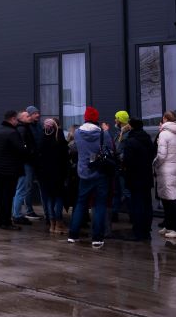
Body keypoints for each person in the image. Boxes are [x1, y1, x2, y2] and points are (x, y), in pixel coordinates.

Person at [67, 106, 114, 248]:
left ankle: (73, 235)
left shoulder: (78, 134)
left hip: (84, 173)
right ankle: (97, 238)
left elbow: (76, 149)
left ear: (85, 118)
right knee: (99, 205)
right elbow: (110, 151)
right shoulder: (104, 134)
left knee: (81, 203)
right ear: (96, 119)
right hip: (100, 173)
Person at [0, 110, 27, 230]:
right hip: (11, 169)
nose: (17, 122)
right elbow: (21, 150)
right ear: (12, 119)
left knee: (0, 195)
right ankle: (6, 222)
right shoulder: (12, 133)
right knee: (8, 196)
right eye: (17, 119)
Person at [154, 110, 176, 238]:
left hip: (165, 169)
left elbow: (161, 156)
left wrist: (155, 163)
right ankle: (169, 225)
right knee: (167, 198)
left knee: (171, 199)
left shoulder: (164, 134)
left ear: (165, 118)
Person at [120, 118, 154, 241]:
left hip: (134, 177)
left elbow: (127, 160)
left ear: (131, 126)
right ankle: (147, 230)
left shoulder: (131, 141)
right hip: (147, 176)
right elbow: (152, 154)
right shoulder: (147, 138)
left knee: (137, 204)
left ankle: (138, 232)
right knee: (147, 203)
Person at [37, 118, 69, 234]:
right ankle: (59, 223)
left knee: (49, 198)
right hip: (58, 173)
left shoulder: (42, 138)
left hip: (44, 174)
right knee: (59, 197)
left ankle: (52, 224)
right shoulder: (59, 137)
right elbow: (65, 157)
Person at [11, 106, 42, 225]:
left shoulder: (26, 128)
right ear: (21, 118)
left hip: (28, 162)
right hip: (26, 163)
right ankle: (17, 215)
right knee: (22, 188)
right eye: (28, 115)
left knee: (21, 188)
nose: (30, 117)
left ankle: (16, 213)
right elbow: (22, 147)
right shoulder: (22, 130)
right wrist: (31, 153)